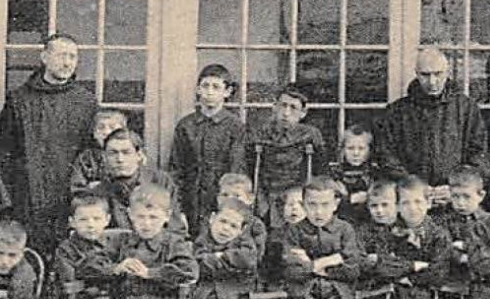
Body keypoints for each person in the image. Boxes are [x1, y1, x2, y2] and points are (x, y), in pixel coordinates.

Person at [0, 33, 98, 254]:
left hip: (69, 197)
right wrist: (10, 201)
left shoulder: (86, 102)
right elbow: (1, 154)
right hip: (28, 198)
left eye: (72, 56)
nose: (67, 62)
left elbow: (92, 153)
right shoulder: (19, 100)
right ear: (44, 57)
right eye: (61, 55)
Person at [375, 46, 489, 199]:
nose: (432, 81)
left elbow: (478, 154)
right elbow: (387, 156)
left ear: (447, 72)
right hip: (412, 198)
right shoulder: (397, 111)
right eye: (425, 75)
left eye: (438, 74)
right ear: (416, 74)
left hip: (457, 198)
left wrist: (456, 187)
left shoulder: (467, 108)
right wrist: (414, 186)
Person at [169, 63, 247, 238]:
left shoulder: (235, 127)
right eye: (205, 86)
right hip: (191, 197)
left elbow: (236, 170)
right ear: (198, 90)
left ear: (227, 92)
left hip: (219, 197)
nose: (210, 92)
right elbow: (176, 168)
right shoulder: (186, 125)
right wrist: (178, 209)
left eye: (216, 87)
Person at [250, 85, 325, 218]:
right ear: (274, 107)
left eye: (293, 108)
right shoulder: (261, 133)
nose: (286, 113)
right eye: (283, 106)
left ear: (303, 112)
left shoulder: (310, 135)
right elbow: (250, 168)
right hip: (266, 194)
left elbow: (320, 170)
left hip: (297, 196)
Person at [85, 127, 178, 232]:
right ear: (105, 157)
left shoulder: (160, 182)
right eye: (113, 153)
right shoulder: (98, 191)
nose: (120, 159)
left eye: (126, 152)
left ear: (139, 155)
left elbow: (176, 228)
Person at [51, 193, 116, 299]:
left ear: (107, 220)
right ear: (72, 222)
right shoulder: (66, 249)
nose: (90, 225)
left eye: (96, 219)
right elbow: (69, 281)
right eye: (83, 220)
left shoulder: (114, 245)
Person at [69, 109, 130, 198]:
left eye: (112, 127)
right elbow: (77, 188)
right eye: (101, 128)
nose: (106, 132)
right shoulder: (87, 158)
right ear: (94, 133)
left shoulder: (129, 155)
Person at [330, 125, 382, 226]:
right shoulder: (335, 174)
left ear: (369, 150)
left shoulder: (375, 173)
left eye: (361, 148)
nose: (356, 153)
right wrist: (351, 199)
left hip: (370, 222)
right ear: (343, 150)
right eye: (350, 148)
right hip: (342, 222)